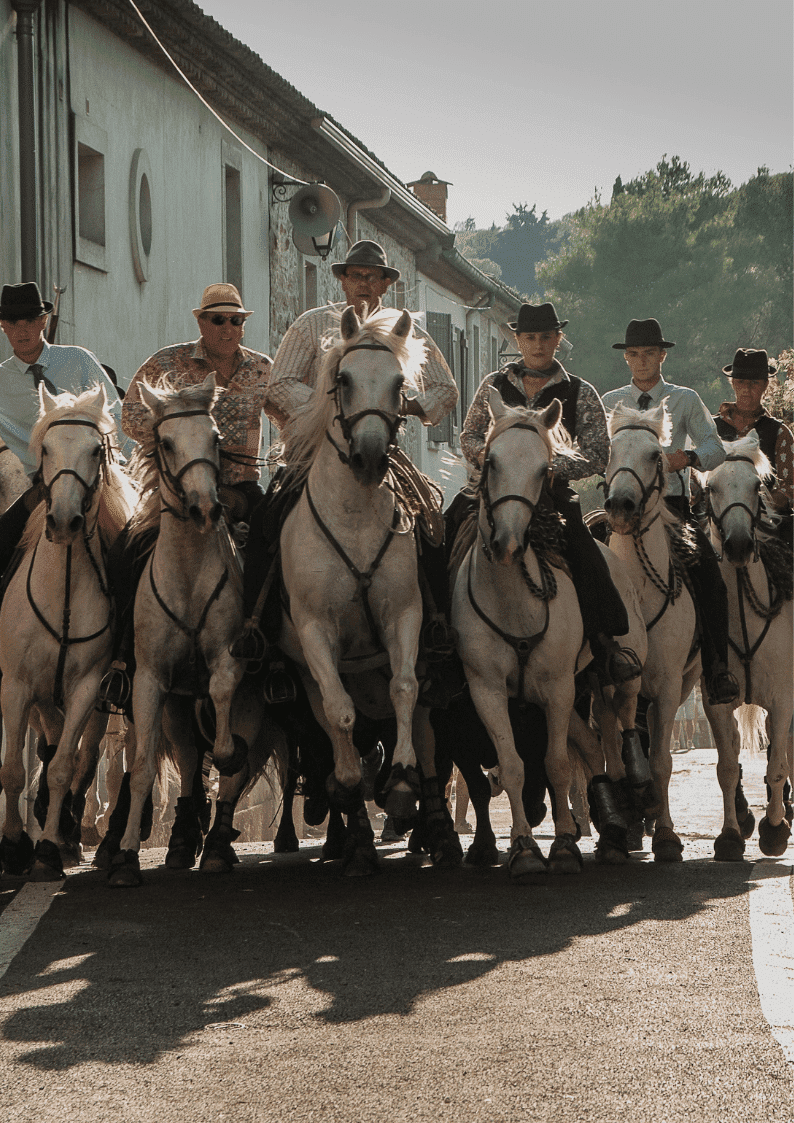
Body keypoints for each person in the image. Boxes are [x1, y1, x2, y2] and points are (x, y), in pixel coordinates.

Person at [234, 240, 458, 662]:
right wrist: (330, 406)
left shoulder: (407, 332)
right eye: (356, 275)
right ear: (342, 279)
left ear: (386, 285)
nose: (364, 283)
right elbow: (279, 383)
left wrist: (398, 405)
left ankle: (438, 625)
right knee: (266, 519)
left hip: (384, 448)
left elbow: (446, 390)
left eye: (373, 277)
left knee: (431, 519)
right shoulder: (313, 324)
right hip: (313, 453)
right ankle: (256, 628)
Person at [99, 283, 272, 707]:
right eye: (218, 319)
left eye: (236, 320)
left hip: (242, 485)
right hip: (176, 491)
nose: (227, 327)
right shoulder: (167, 362)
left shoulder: (264, 369)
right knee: (125, 552)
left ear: (243, 327)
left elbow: (291, 414)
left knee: (277, 545)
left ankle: (272, 658)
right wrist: (177, 439)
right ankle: (121, 659)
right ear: (201, 322)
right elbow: (132, 416)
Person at [456, 301, 640, 686]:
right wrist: (493, 460)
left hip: (552, 496)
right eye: (529, 337)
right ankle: (438, 635)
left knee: (586, 554)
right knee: (447, 534)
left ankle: (604, 641)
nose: (537, 344)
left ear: (558, 339)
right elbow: (470, 434)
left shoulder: (579, 391)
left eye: (545, 336)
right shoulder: (494, 385)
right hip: (492, 491)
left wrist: (553, 468)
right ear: (517, 340)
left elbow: (596, 450)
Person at [602, 317, 738, 705]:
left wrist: (688, 457)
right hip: (620, 506)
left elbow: (717, 448)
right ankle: (593, 663)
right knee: (588, 568)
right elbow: (597, 453)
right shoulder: (610, 403)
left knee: (710, 575)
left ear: (662, 355)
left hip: (673, 508)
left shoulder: (685, 399)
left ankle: (717, 668)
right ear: (626, 358)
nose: (641, 361)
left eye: (648, 353)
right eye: (633, 354)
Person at [0, 281, 130, 579]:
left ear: (44, 321)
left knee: (132, 552)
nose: (22, 330)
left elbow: (117, 416)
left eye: (30, 320)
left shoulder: (79, 359)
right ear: (2, 326)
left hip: (100, 481)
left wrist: (128, 470)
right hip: (41, 486)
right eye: (13, 322)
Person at [713, 347, 793, 543]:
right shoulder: (712, 428)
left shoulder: (780, 433)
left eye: (754, 382)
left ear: (765, 384)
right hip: (716, 518)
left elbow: (790, 486)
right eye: (740, 381)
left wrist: (754, 506)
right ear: (732, 383)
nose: (746, 389)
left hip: (768, 523)